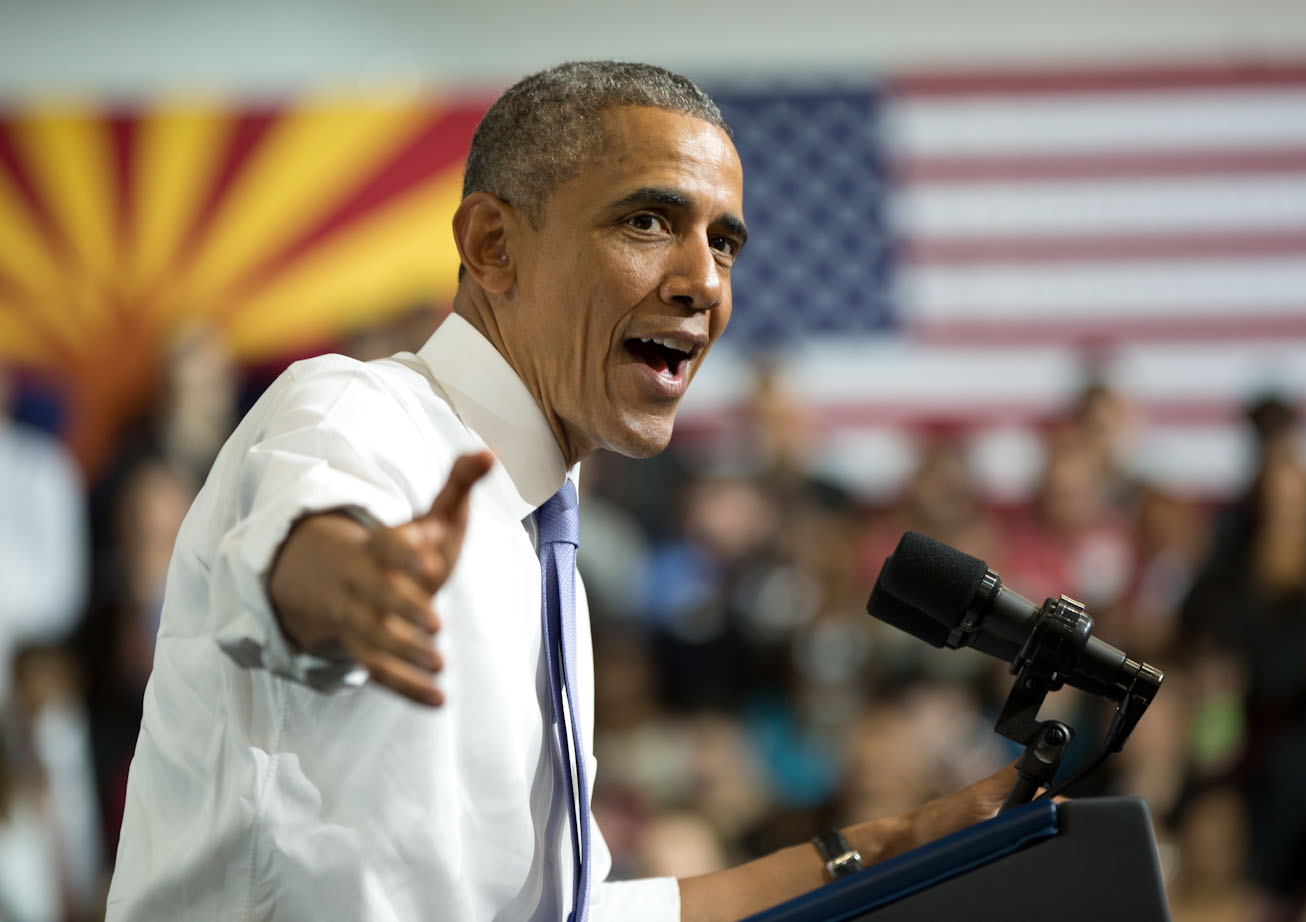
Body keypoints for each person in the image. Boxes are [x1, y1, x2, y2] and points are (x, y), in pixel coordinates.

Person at [106, 61, 1014, 922]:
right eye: (649, 222)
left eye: (724, 241)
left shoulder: (542, 549)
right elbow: (287, 555)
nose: (704, 281)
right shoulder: (360, 411)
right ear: (492, 245)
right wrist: (352, 578)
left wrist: (883, 846)